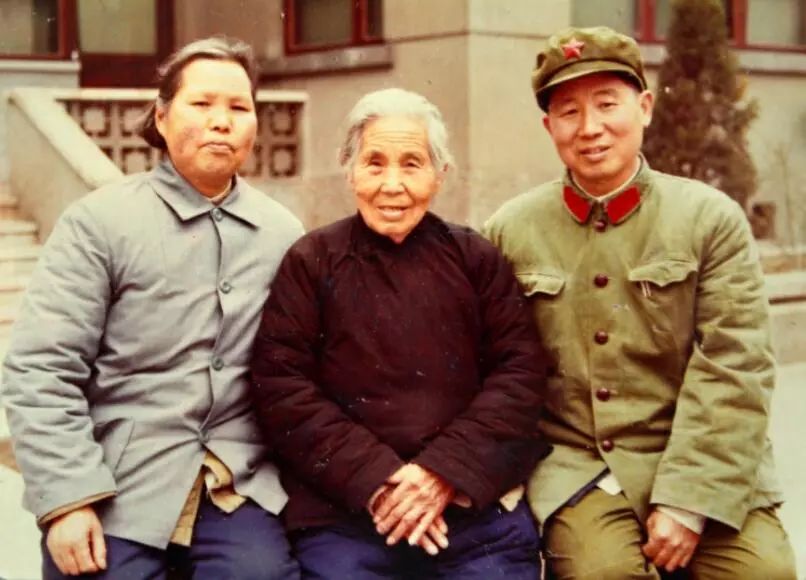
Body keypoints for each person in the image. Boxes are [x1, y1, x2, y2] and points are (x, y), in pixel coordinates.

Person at [483, 26, 797, 579]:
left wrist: (688, 501)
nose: (590, 128)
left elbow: (736, 365)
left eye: (608, 104)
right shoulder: (511, 230)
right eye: (569, 112)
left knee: (763, 572)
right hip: (580, 467)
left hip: (706, 461)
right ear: (549, 127)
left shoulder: (709, 219)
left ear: (645, 108)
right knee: (602, 573)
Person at [1, 36, 302, 579]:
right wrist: (67, 501)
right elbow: (41, 368)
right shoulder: (100, 222)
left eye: (239, 108)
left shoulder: (282, 233)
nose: (221, 122)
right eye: (201, 103)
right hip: (117, 486)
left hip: (237, 488)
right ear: (161, 117)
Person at [250, 88, 549, 579]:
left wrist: (441, 474)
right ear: (350, 171)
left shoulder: (475, 260)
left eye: (412, 164)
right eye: (374, 163)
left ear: (440, 174)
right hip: (346, 512)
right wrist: (380, 479)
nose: (392, 185)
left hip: (470, 508)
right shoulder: (311, 261)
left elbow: (519, 377)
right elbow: (282, 388)